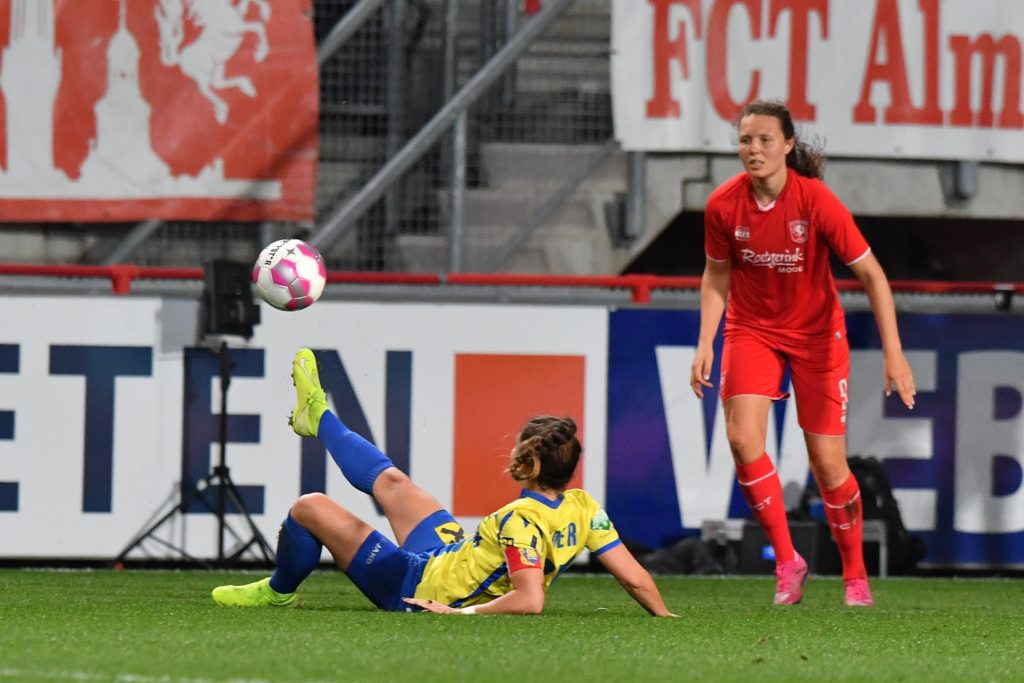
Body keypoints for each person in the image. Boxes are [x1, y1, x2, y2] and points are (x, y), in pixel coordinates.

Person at [212, 348, 676, 617]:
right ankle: (318, 416)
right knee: (393, 482)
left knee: (309, 507)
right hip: (450, 556)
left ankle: (277, 590)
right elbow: (635, 578)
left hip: (416, 585)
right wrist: (664, 615)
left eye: (519, 446)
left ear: (530, 465)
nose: (512, 449)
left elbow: (530, 599)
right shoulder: (585, 507)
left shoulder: (519, 520)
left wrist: (461, 614)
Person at [689, 100, 916, 608]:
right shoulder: (723, 206)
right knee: (742, 440)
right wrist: (706, 340)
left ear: (788, 145)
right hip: (752, 331)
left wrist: (893, 354)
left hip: (817, 337)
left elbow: (872, 275)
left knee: (829, 468)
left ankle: (855, 575)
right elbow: (716, 274)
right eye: (746, 140)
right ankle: (788, 561)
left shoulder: (815, 201)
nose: (754, 149)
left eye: (765, 139)